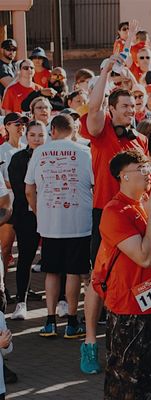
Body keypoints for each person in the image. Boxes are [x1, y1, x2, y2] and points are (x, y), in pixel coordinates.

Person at [93, 149, 151, 397]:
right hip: (129, 313)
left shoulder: (150, 204)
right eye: (141, 169)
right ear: (123, 176)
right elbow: (144, 256)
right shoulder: (115, 211)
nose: (148, 174)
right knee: (125, 385)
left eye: (147, 168)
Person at [82, 56, 149, 375]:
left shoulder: (141, 140)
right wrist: (105, 73)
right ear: (113, 109)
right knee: (97, 279)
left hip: (132, 214)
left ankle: (126, 341)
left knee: (129, 276)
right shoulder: (101, 129)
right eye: (123, 106)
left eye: (132, 105)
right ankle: (90, 342)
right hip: (103, 213)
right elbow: (93, 109)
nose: (129, 110)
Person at [26, 116, 90, 339]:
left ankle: (50, 321)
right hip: (79, 223)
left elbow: (28, 189)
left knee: (51, 271)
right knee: (73, 272)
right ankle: (72, 322)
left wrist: (38, 212)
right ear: (73, 131)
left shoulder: (39, 152)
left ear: (52, 130)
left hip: (50, 223)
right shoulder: (85, 152)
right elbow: (95, 184)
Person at [7, 119, 40, 321]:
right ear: (26, 136)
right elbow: (20, 191)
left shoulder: (53, 155)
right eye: (33, 135)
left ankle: (62, 300)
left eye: (40, 135)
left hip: (52, 215)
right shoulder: (18, 158)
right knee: (25, 259)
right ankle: (21, 302)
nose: (37, 139)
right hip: (26, 216)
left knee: (56, 260)